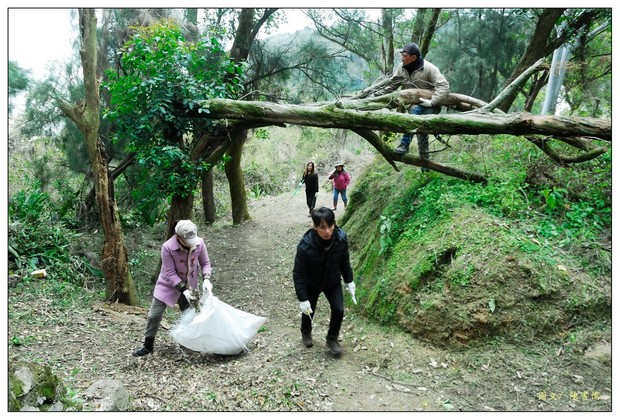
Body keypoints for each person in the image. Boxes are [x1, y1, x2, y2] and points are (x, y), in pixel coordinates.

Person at [133, 219, 213, 357]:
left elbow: (205, 262)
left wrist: (206, 279)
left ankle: (190, 342)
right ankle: (148, 346)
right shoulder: (167, 247)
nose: (191, 243)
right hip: (167, 286)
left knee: (192, 314)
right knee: (154, 315)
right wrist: (183, 290)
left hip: (191, 285)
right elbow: (169, 273)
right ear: (179, 237)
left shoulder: (199, 243)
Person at [292, 207, 356, 356]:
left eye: (330, 226)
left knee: (339, 309)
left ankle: (332, 338)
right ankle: (306, 331)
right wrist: (302, 298)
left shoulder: (340, 239)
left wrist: (349, 281)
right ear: (315, 227)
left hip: (332, 281)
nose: (327, 231)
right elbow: (298, 274)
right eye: (322, 227)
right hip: (311, 283)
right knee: (308, 310)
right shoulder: (305, 246)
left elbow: (345, 262)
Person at [392, 42, 449, 160]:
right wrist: (378, 97)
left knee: (415, 112)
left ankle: (404, 144)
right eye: (402, 55)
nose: (402, 58)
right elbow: (392, 85)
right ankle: (425, 164)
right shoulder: (401, 68)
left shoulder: (429, 68)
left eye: (405, 56)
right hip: (414, 105)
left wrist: (432, 102)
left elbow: (444, 86)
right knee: (422, 130)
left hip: (430, 105)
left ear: (414, 57)